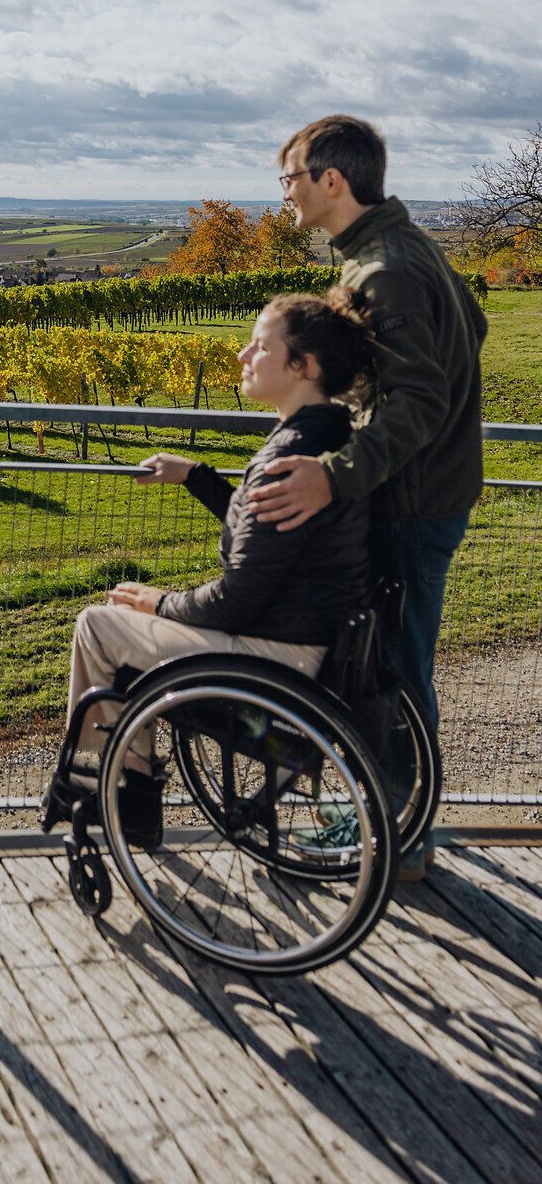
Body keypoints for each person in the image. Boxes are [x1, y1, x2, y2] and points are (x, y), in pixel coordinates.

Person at [247, 114, 487, 879]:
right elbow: (472, 327)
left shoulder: (383, 268)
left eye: (288, 178)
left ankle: (394, 837)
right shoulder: (398, 249)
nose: (283, 193)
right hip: (424, 491)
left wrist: (338, 471)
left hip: (410, 505)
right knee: (379, 664)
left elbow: (418, 398)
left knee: (389, 672)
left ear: (330, 181)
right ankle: (380, 823)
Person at [66, 292, 374, 849]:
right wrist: (198, 477)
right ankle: (128, 779)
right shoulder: (326, 440)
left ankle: (120, 788)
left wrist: (160, 602)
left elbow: (238, 598)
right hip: (305, 642)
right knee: (122, 616)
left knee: (99, 623)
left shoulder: (289, 457)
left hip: (272, 657)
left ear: (302, 367)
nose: (242, 355)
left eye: (261, 346)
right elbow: (266, 537)